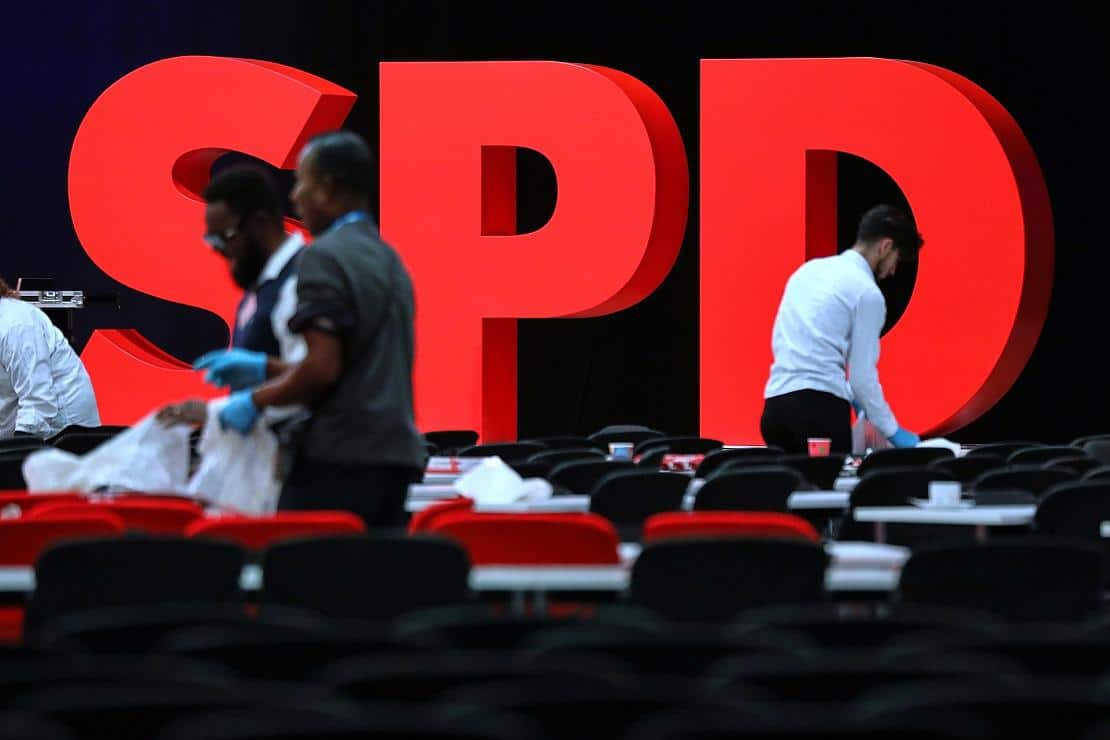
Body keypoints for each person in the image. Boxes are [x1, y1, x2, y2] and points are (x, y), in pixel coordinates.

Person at [195, 130, 424, 527]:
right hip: (398, 460)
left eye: (302, 182)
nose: (295, 196)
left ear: (327, 188)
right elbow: (353, 366)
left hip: (337, 461)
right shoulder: (390, 259)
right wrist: (265, 367)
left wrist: (254, 401)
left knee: (293, 564)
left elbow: (322, 369)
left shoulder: (322, 257)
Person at [760, 204, 924, 455]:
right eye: (896, 259)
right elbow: (861, 379)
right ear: (885, 246)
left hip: (775, 409)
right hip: (819, 413)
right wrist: (892, 431)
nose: (893, 271)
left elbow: (783, 342)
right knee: (826, 482)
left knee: (786, 481)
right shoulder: (867, 293)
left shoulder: (807, 271)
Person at [160, 165, 306, 427]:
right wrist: (212, 412)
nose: (219, 251)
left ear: (259, 223)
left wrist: (236, 406)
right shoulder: (259, 285)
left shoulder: (302, 281)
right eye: (212, 241)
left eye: (225, 237)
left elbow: (314, 379)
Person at [0, 277, 100, 438]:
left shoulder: (15, 326)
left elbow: (37, 400)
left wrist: (18, 446)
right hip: (23, 417)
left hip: (63, 425)